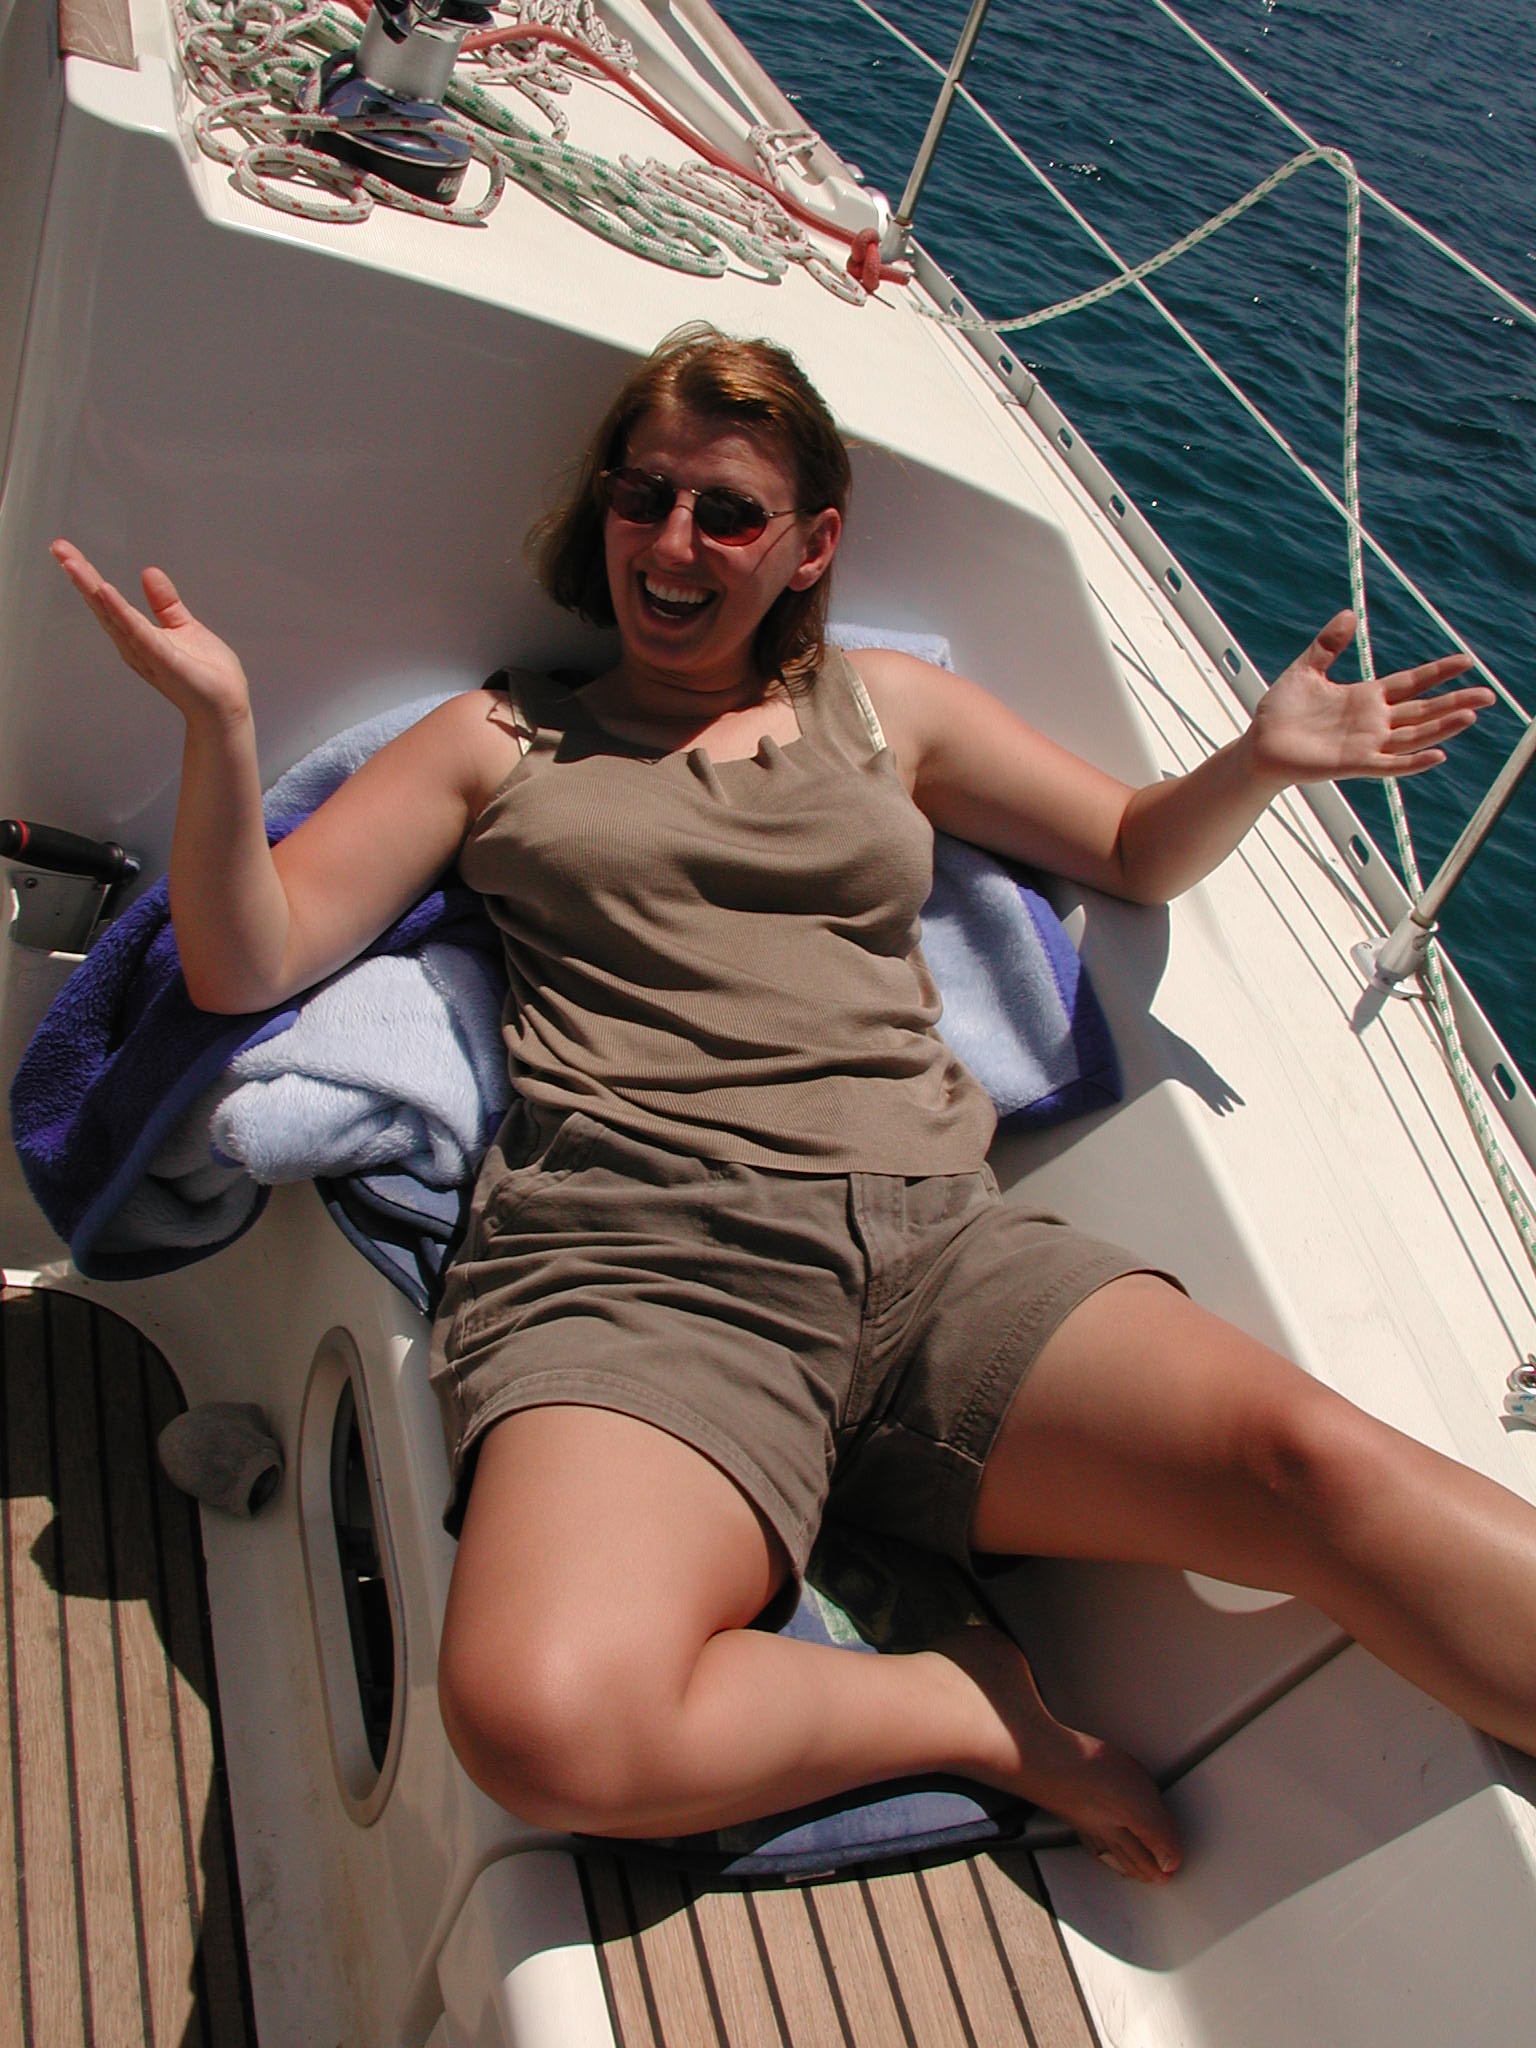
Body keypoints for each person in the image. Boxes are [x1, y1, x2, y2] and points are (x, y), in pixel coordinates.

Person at [52, 325, 1528, 1886]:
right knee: (546, 1722)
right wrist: (219, 734)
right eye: (643, 497)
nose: (673, 543)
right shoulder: (503, 739)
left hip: (938, 1251)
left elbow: (1130, 849)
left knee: (1320, 1470)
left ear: (812, 545)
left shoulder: (886, 709)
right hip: (643, 1267)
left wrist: (1261, 760)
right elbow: (250, 957)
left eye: (728, 512)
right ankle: (964, 1708)